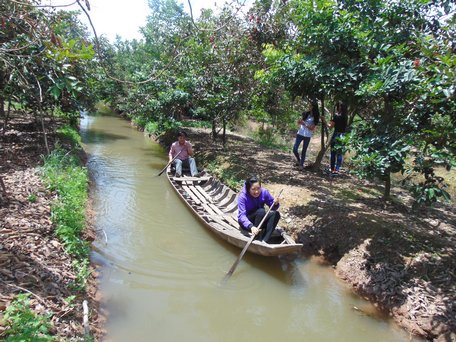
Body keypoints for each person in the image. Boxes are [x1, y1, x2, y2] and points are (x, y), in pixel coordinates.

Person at [237, 175, 281, 243]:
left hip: (260, 220)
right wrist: (251, 226)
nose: (256, 191)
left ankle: (264, 240)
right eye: (253, 189)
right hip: (248, 223)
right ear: (248, 189)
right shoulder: (242, 197)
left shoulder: (264, 192)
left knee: (276, 214)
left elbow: (272, 207)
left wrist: (275, 203)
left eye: (258, 188)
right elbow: (241, 216)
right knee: (261, 211)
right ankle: (256, 237)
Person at [292, 102, 320, 170]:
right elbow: (300, 122)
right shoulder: (306, 113)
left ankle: (301, 165)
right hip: (300, 133)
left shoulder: (316, 117)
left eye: (310, 105)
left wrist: (305, 124)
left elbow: (312, 128)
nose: (309, 106)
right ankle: (299, 160)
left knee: (304, 151)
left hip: (307, 135)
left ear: (313, 107)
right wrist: (299, 122)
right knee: (294, 149)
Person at [327, 102, 348, 175]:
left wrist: (324, 121)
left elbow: (330, 127)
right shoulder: (345, 116)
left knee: (333, 152)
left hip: (336, 134)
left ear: (339, 108)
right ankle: (337, 169)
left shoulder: (336, 116)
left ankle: (332, 169)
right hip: (343, 135)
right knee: (339, 153)